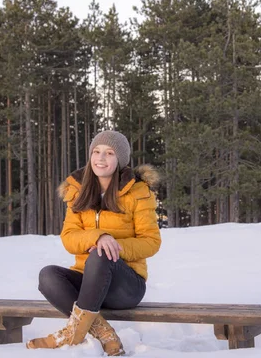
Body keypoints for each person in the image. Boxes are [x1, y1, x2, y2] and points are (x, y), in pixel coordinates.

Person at [26, 130, 161, 356]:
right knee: (48, 275)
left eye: (109, 153)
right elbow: (69, 238)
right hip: (88, 281)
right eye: (96, 152)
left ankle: (72, 334)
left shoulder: (138, 192)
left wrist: (113, 247)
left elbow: (151, 242)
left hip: (125, 286)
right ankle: (105, 334)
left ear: (120, 160)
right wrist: (98, 236)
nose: (100, 158)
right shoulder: (78, 192)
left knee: (101, 254)